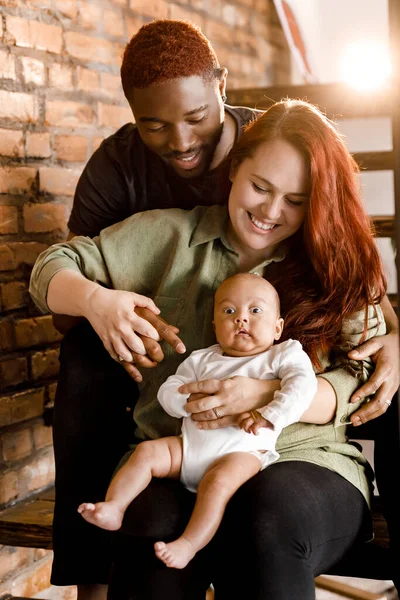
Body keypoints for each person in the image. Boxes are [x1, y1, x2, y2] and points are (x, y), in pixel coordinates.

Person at [31, 99, 391, 599]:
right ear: (234, 169)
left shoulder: (332, 264)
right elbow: (52, 265)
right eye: (260, 187)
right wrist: (97, 301)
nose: (270, 211)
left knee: (267, 514)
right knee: (147, 523)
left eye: (295, 200)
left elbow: (359, 381)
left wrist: (260, 396)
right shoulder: (169, 236)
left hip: (303, 459)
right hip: (183, 454)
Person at [77, 274, 317, 570]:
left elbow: (303, 386)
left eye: (255, 311)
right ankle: (115, 507)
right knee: (147, 453)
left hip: (241, 454)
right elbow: (169, 388)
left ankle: (189, 544)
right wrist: (183, 402)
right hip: (189, 449)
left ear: (278, 327)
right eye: (229, 311)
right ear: (215, 326)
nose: (241, 319)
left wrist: (271, 414)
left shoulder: (282, 355)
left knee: (217, 484)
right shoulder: (202, 359)